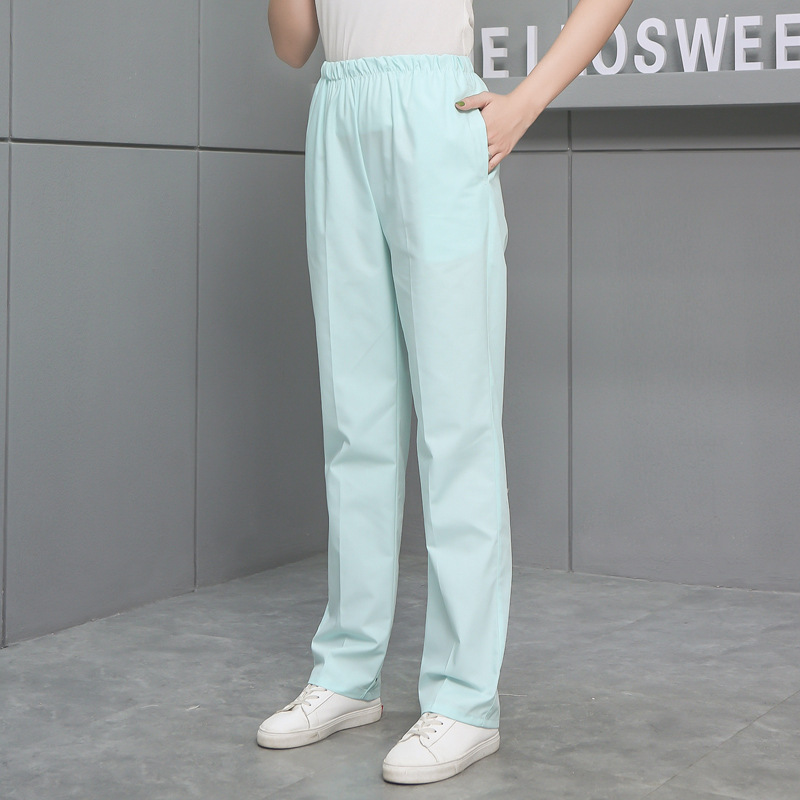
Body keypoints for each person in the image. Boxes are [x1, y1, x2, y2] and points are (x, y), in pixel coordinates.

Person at [258, 0, 633, 785]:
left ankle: (465, 701)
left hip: (434, 110)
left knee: (455, 424)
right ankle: (347, 672)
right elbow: (294, 44)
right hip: (339, 109)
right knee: (355, 423)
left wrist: (524, 103)